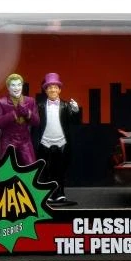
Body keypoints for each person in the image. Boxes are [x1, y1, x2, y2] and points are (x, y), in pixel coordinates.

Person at [36, 72, 80, 203]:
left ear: (60, 90)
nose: (53, 90)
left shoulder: (65, 106)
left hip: (61, 142)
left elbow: (74, 121)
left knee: (60, 170)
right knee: (46, 170)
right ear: (46, 90)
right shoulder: (40, 106)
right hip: (45, 142)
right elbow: (35, 122)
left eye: (55, 87)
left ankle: (60, 193)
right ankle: (48, 194)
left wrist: (75, 110)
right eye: (50, 87)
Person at [0, 73, 39, 165]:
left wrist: (28, 113)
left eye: (19, 85)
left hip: (25, 140)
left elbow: (36, 122)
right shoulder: (0, 102)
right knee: (5, 167)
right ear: (8, 87)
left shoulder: (30, 101)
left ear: (22, 86)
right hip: (7, 140)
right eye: (13, 85)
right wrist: (14, 114)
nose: (16, 88)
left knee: (31, 166)